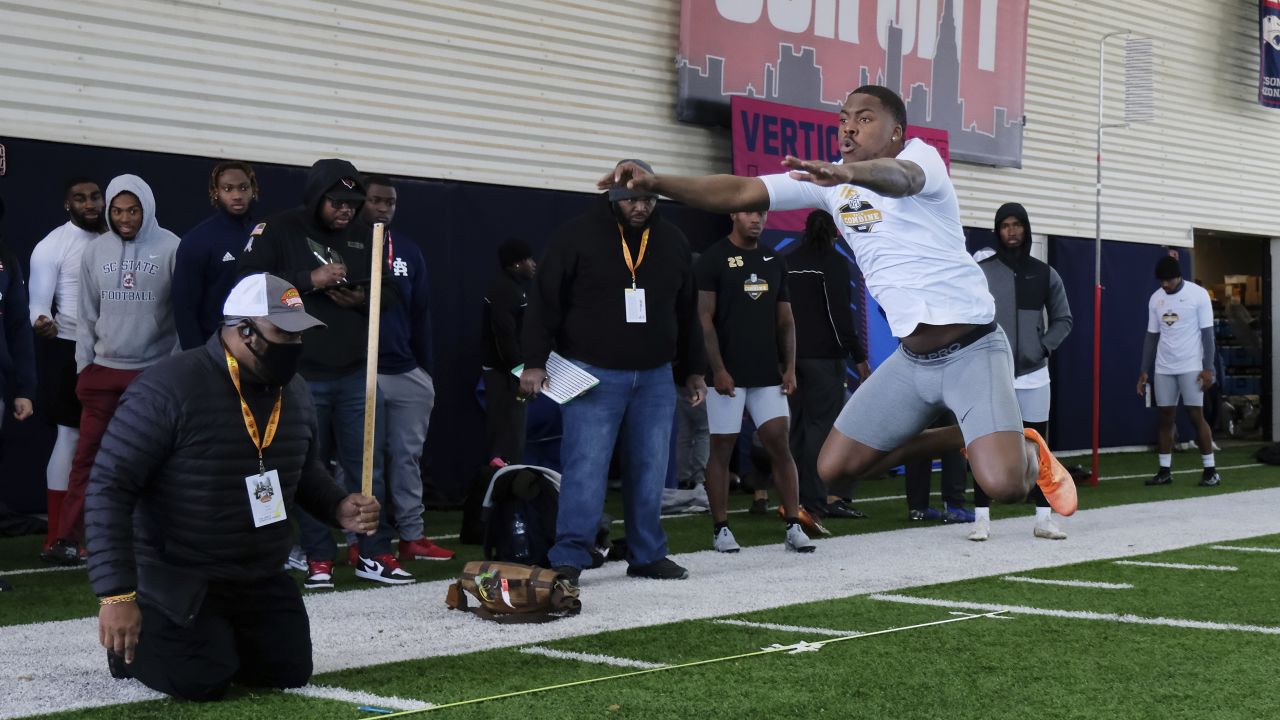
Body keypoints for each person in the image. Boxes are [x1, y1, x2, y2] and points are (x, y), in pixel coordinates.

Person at [600, 86, 1075, 519]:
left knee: (1006, 485)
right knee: (834, 469)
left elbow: (900, 178)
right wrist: (657, 183)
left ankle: (1028, 450)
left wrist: (847, 172)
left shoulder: (921, 159)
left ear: (896, 132)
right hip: (913, 362)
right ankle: (970, 436)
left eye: (864, 118)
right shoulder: (830, 188)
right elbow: (740, 189)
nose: (848, 126)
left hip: (973, 349)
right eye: (844, 117)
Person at [86, 273, 382, 701]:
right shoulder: (166, 386)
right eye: (285, 333)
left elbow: (305, 470)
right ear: (243, 330)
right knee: (201, 681)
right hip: (181, 574)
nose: (295, 346)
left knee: (288, 671)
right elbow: (109, 488)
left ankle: (217, 639)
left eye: (300, 335)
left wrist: (340, 507)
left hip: (257, 572)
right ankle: (137, 649)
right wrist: (116, 596)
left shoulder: (294, 390)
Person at [521, 159, 707, 585]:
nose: (640, 207)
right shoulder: (577, 235)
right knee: (586, 466)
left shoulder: (673, 240)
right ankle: (569, 555)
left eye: (648, 199)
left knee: (650, 466)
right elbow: (544, 300)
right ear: (612, 196)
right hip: (592, 372)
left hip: (656, 375)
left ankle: (647, 554)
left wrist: (694, 369)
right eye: (631, 199)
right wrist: (534, 361)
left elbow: (686, 311)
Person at [238, 159, 410, 588]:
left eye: (354, 203)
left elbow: (390, 292)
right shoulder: (279, 229)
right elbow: (247, 285)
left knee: (368, 468)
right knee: (305, 468)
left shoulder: (369, 233)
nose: (347, 211)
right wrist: (308, 280)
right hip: (299, 374)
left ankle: (374, 552)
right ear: (316, 197)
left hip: (357, 372)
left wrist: (363, 299)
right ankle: (318, 556)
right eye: (337, 203)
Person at [47, 175, 181, 564]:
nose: (125, 218)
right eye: (118, 211)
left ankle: (158, 537)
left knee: (157, 461)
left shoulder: (172, 246)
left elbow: (180, 316)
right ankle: (71, 537)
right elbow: (86, 316)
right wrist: (84, 369)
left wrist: (172, 372)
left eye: (133, 210)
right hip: (103, 373)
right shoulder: (96, 251)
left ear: (147, 209)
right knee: (88, 458)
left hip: (154, 374)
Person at [695, 209, 815, 554]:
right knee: (722, 449)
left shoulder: (774, 259)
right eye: (749, 212)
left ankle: (793, 524)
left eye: (762, 213)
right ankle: (721, 529)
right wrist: (717, 369)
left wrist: (789, 367)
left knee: (779, 444)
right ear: (733, 213)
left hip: (766, 375)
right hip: (727, 376)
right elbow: (704, 320)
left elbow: (786, 320)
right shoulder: (712, 258)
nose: (756, 219)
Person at [362, 174, 453, 562]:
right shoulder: (345, 247)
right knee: (364, 462)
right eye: (377, 201)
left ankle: (412, 537)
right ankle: (364, 541)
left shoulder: (409, 252)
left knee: (406, 458)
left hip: (406, 371)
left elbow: (421, 316)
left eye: (391, 203)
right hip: (362, 372)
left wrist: (425, 373)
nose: (384, 208)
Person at [969, 203, 1073, 541]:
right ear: (997, 231)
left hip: (1034, 374)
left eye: (1017, 225)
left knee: (1038, 447)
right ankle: (981, 518)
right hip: (992, 373)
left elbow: (1063, 319)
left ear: (1026, 229)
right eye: (1005, 225)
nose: (1011, 231)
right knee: (985, 444)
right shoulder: (981, 272)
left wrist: (1043, 346)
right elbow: (968, 317)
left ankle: (1044, 518)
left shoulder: (1045, 274)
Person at [27, 178, 105, 558]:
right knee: (71, 439)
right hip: (70, 349)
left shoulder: (123, 237)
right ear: (67, 204)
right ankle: (59, 535)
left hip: (120, 350)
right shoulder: (52, 246)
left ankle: (111, 533)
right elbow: (37, 304)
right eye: (80, 198)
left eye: (95, 197)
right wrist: (42, 321)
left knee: (123, 443)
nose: (89, 204)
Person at [785, 209, 871, 520]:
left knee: (794, 430)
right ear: (835, 232)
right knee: (820, 431)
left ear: (805, 231)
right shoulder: (834, 263)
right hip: (824, 360)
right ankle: (818, 500)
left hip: (791, 360)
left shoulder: (789, 261)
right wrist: (859, 358)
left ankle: (792, 498)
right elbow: (840, 319)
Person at [1136, 255, 1218, 487]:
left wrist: (1208, 368)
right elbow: (1151, 337)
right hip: (1164, 368)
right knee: (1165, 418)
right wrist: (1144, 370)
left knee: (1195, 416)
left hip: (1191, 366)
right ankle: (1164, 471)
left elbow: (1207, 335)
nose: (1165, 285)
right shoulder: (1155, 299)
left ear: (1179, 276)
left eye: (1168, 280)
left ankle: (1210, 470)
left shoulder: (1198, 295)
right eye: (1161, 281)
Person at [174, 161, 261, 349]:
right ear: (215, 192)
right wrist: (197, 357)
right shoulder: (197, 241)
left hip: (259, 347)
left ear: (253, 189)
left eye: (243, 187)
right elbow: (185, 309)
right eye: (228, 189)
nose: (237, 195)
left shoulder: (265, 234)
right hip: (215, 349)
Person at [481, 237, 536, 464]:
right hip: (504, 377)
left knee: (514, 440)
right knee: (506, 443)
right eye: (528, 259)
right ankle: (502, 494)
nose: (534, 264)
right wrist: (519, 372)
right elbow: (504, 335)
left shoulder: (516, 289)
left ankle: (509, 491)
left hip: (510, 375)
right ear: (516, 263)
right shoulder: (505, 290)